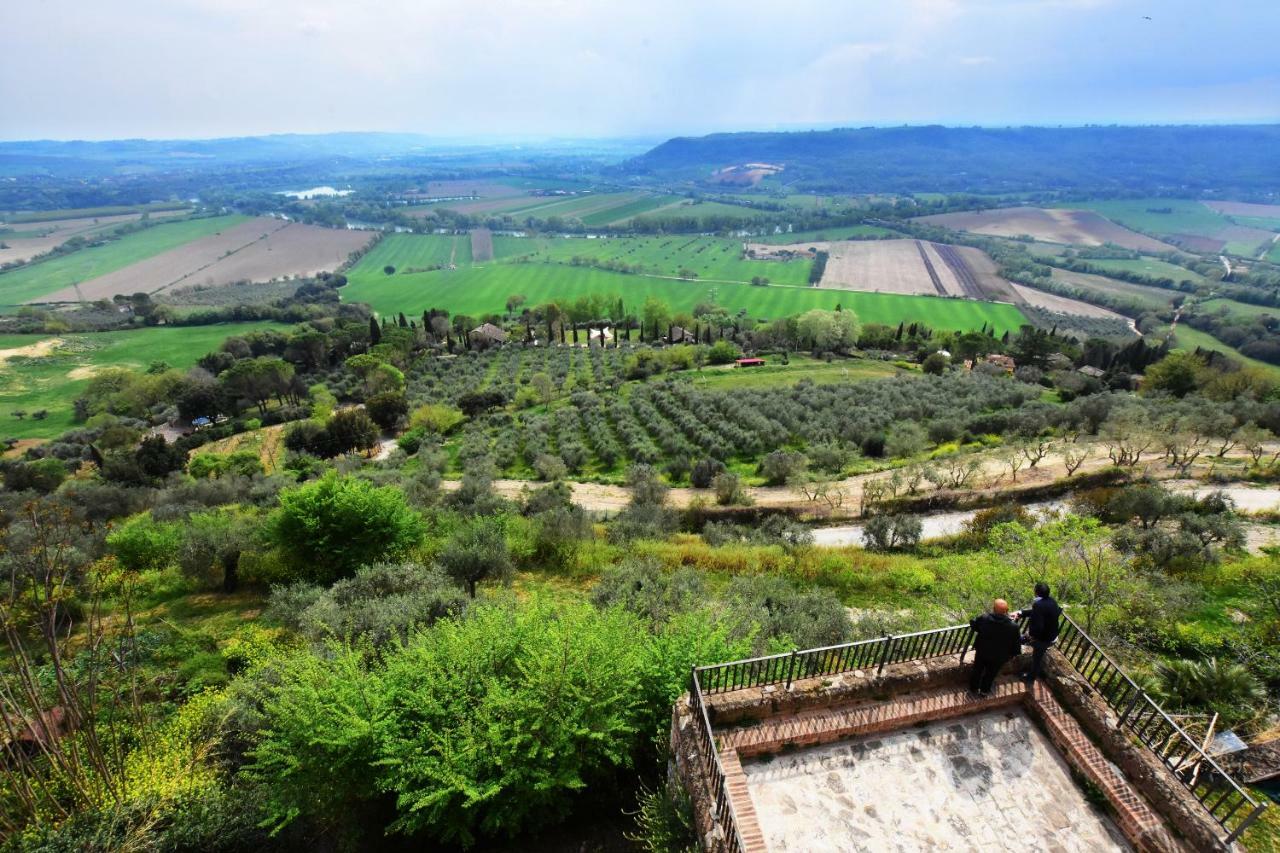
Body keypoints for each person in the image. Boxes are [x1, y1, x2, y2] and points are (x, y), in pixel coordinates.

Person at [968, 599, 1022, 697]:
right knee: (991, 674)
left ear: (993, 609)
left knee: (977, 670)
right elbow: (1016, 643)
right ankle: (984, 691)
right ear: (1007, 611)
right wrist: (1012, 654)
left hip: (982, 651)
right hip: (999, 656)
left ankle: (973, 688)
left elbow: (974, 625)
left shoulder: (984, 618)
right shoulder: (1013, 626)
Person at [1014, 582, 1062, 683]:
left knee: (1036, 658)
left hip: (1043, 639)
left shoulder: (1038, 605)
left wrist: (1030, 636)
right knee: (1037, 658)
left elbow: (1038, 626)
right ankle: (1032, 675)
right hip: (1052, 636)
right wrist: (1021, 613)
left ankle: (1030, 678)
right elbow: (1038, 612)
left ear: (1036, 592)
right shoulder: (1052, 601)